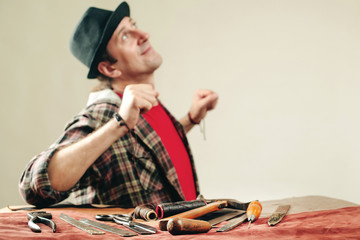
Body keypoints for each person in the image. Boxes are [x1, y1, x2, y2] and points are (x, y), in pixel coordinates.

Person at [19, 2, 218, 207]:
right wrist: (119, 123)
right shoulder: (105, 114)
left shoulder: (146, 103)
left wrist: (192, 118)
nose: (143, 34)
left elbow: (151, 150)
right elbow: (34, 186)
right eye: (125, 35)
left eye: (134, 25)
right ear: (109, 68)